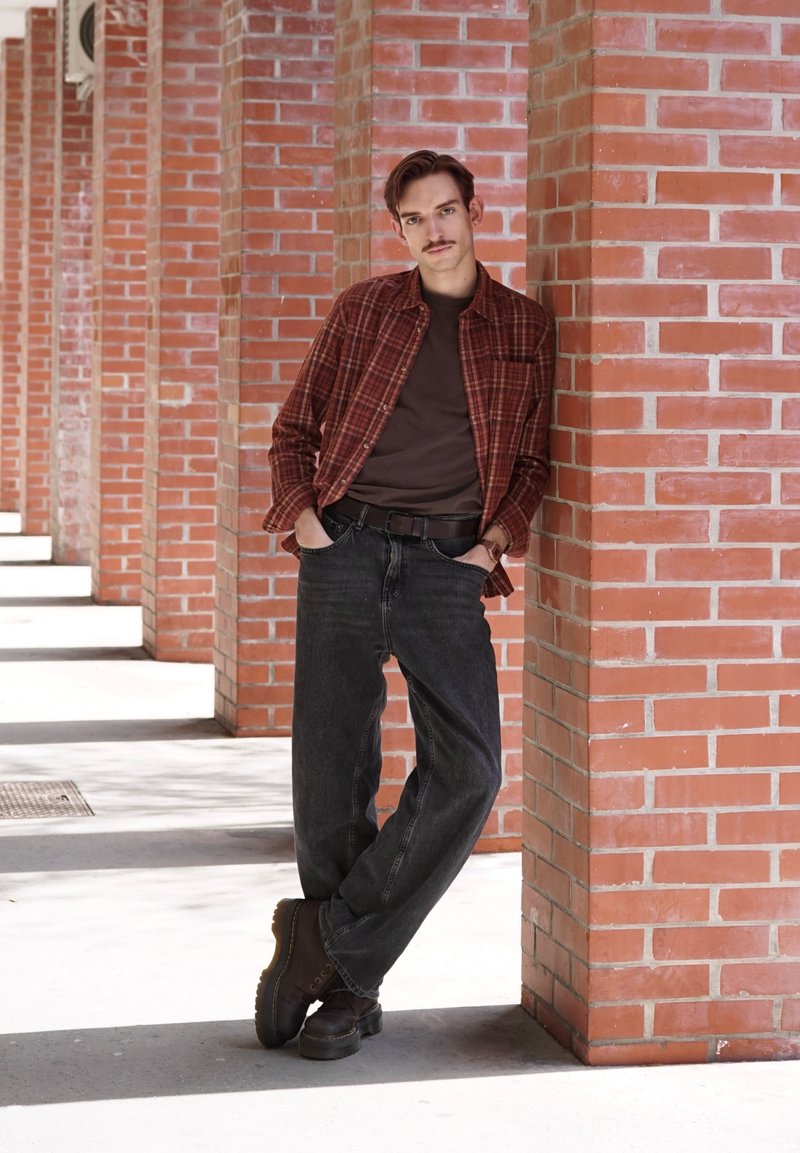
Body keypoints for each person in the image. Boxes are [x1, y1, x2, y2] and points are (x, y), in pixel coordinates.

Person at [257, 150, 554, 1061]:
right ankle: (350, 990)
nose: (435, 230)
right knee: (331, 771)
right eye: (416, 218)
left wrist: (490, 544)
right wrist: (307, 521)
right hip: (344, 546)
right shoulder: (364, 310)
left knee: (471, 770)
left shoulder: (524, 326)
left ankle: (323, 943)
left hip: (445, 564)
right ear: (398, 230)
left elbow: (533, 460)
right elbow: (294, 429)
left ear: (474, 212)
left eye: (447, 210)